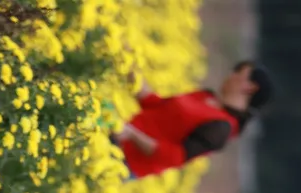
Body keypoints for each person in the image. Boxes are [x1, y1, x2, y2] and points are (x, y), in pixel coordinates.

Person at [112, 60, 274, 180]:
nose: (230, 75)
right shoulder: (206, 96)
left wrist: (133, 135)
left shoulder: (222, 127)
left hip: (123, 160)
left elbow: (174, 157)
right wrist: (129, 65)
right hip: (118, 133)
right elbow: (155, 105)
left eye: (238, 72)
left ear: (250, 87)